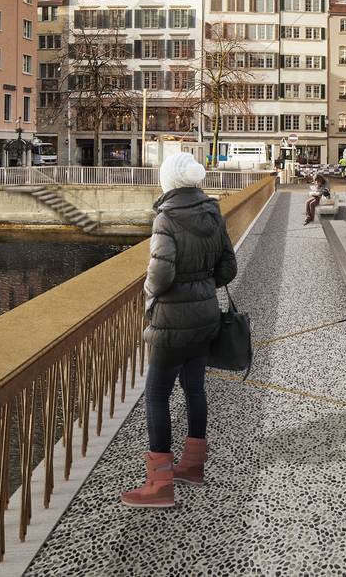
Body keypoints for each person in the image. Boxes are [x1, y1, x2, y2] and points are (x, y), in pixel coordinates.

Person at [123, 152, 238, 509]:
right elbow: (228, 268)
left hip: (172, 321)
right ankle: (192, 467)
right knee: (194, 389)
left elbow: (160, 275)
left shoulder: (166, 218)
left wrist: (149, 295)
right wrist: (203, 283)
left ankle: (159, 484)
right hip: (205, 315)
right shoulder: (212, 212)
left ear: (168, 181)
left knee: (156, 394)